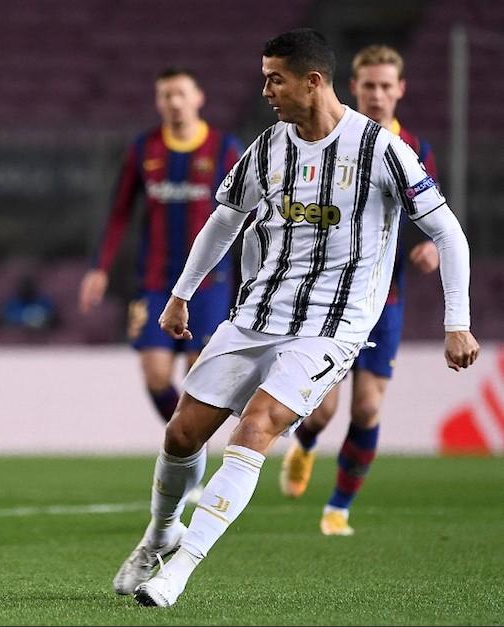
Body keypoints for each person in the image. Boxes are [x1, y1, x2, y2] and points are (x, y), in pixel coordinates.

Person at [113, 29, 479, 608]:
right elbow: (224, 219)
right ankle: (159, 536)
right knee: (181, 433)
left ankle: (178, 571)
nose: (265, 91)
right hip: (257, 312)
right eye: (264, 79)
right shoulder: (268, 147)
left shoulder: (380, 149)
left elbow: (448, 233)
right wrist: (182, 293)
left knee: (256, 427)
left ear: (312, 82)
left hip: (331, 327)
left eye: (274, 79)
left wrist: (457, 321)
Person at [279, 44, 442, 536]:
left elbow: (430, 216)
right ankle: (306, 443)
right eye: (369, 85)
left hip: (383, 298)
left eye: (385, 86)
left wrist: (430, 247)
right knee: (322, 406)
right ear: (354, 87)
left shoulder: (414, 149)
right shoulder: (336, 139)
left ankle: (338, 508)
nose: (377, 94)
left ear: (400, 90)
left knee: (367, 406)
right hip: (330, 295)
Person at [79, 67, 241, 425]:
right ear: (158, 102)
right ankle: (184, 442)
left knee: (199, 378)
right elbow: (119, 212)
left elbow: (251, 210)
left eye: (181, 93)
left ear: (198, 98)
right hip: (154, 281)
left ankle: (187, 447)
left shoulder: (225, 148)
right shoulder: (143, 149)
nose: (174, 102)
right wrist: (99, 268)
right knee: (155, 375)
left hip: (209, 282)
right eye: (167, 95)